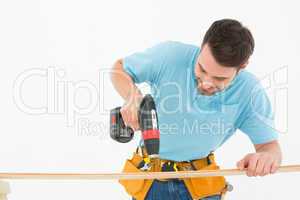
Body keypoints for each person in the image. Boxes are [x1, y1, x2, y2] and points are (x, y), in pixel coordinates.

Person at [110, 19, 282, 200]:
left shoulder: (250, 92)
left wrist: (266, 157)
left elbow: (270, 147)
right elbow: (119, 69)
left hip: (200, 185)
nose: (207, 82)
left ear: (242, 66)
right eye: (202, 69)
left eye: (219, 78)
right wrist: (133, 96)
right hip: (150, 180)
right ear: (202, 47)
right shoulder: (169, 56)